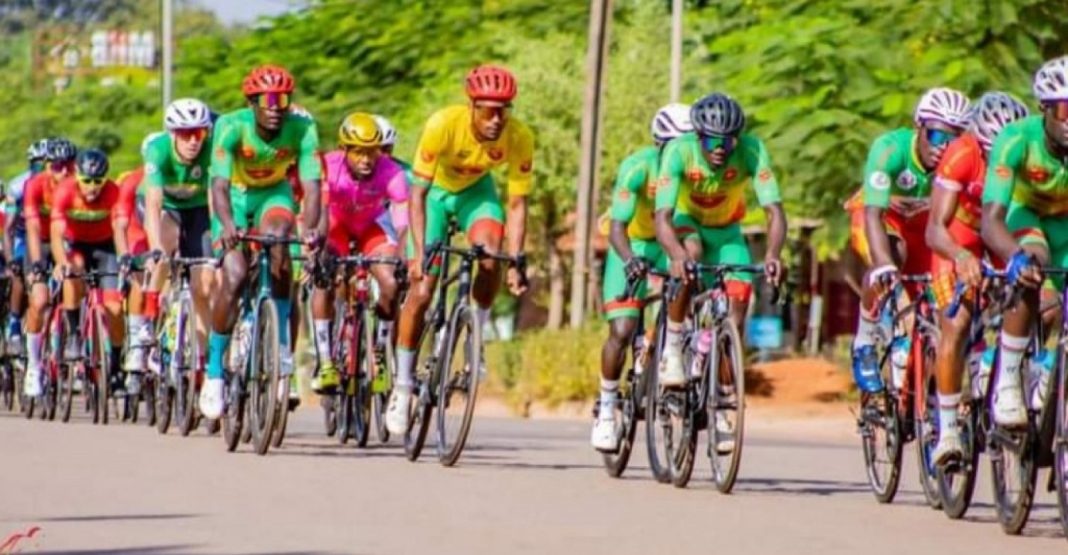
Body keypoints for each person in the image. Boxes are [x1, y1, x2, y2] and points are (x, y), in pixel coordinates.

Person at [388, 64, 533, 435]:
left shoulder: (519, 137)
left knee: (491, 255)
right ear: (471, 106)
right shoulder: (442, 124)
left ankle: (475, 338)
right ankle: (403, 386)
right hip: (434, 194)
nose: (496, 119)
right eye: (487, 110)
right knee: (422, 290)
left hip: (475, 195)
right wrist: (420, 253)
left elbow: (517, 205)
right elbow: (416, 195)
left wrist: (516, 260)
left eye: (503, 110)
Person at [654, 93, 786, 452]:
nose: (720, 148)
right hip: (686, 224)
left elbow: (773, 210)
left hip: (728, 231)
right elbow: (662, 217)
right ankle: (673, 347)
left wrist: (774, 254)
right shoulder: (678, 152)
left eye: (727, 141)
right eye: (712, 140)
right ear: (698, 136)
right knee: (690, 256)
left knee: (739, 304)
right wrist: (676, 255)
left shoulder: (752, 150)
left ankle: (725, 400)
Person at [199, 65, 322, 419]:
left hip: (274, 195)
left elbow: (312, 187)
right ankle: (215, 374)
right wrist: (226, 225)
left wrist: (310, 228)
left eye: (282, 99)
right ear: (252, 102)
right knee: (235, 275)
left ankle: (281, 347)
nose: (275, 106)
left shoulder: (303, 129)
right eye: (267, 100)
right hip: (235, 199)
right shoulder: (231, 126)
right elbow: (218, 185)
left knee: (282, 242)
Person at [848, 88, 971, 394]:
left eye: (953, 141)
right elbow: (873, 214)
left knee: (934, 300)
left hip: (922, 230)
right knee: (892, 258)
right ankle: (864, 340)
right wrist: (884, 265)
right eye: (936, 136)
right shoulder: (889, 150)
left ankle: (921, 394)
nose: (944, 148)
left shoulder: (962, 162)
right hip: (879, 219)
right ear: (919, 128)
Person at [927, 92, 1028, 463]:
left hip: (1001, 231)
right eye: (990, 151)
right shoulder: (962, 154)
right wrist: (960, 255)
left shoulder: (1023, 154)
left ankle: (1007, 375)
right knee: (957, 322)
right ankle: (949, 428)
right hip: (960, 234)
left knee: (1025, 298)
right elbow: (934, 230)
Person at [591, 103, 691, 451]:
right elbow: (616, 227)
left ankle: (678, 355)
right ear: (660, 144)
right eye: (676, 144)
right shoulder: (637, 167)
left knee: (691, 289)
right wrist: (631, 259)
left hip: (670, 242)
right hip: (631, 243)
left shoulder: (693, 171)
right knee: (620, 329)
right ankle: (606, 410)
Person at [981, 56, 1068, 427]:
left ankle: (1050, 366)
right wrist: (1013, 257)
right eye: (1064, 110)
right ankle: (1009, 380)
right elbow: (991, 220)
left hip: (1065, 221)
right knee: (1033, 265)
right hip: (1024, 215)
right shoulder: (1016, 139)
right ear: (1044, 109)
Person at [308, 113, 408, 392]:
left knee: (390, 281)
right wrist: (321, 248)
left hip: (370, 227)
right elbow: (323, 213)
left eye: (372, 152)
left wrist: (402, 254)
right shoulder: (328, 166)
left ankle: (378, 352)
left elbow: (402, 224)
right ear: (345, 149)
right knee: (324, 277)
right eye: (359, 152)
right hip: (336, 225)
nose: (367, 159)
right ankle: (326, 359)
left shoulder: (391, 172)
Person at [137, 99, 215, 384]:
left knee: (205, 282)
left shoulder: (211, 150)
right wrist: (156, 246)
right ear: (172, 134)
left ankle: (203, 357)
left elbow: (214, 201)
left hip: (198, 210)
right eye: (186, 134)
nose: (194, 141)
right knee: (163, 249)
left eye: (199, 133)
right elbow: (154, 205)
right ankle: (146, 320)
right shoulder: (158, 151)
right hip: (168, 208)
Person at [50, 149, 126, 393]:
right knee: (74, 272)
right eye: (87, 181)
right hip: (76, 245)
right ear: (78, 177)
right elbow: (56, 233)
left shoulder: (114, 192)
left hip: (105, 247)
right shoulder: (65, 190)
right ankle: (73, 334)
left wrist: (124, 258)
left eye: (98, 182)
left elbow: (119, 227)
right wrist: (62, 262)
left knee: (114, 307)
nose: (92, 188)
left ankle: (115, 362)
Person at [21, 138, 77, 397]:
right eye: (57, 166)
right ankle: (33, 364)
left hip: (67, 241)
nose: (64, 171)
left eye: (68, 165)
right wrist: (37, 265)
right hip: (41, 243)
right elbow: (32, 229)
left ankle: (74, 343)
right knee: (41, 300)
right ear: (46, 166)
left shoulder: (78, 183)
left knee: (77, 282)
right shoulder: (34, 185)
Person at [3, 139, 50, 353]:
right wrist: (11, 258)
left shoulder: (60, 183)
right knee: (19, 273)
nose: (44, 168)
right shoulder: (18, 186)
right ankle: (13, 324)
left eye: (49, 163)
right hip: (23, 236)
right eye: (39, 163)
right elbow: (9, 229)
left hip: (51, 237)